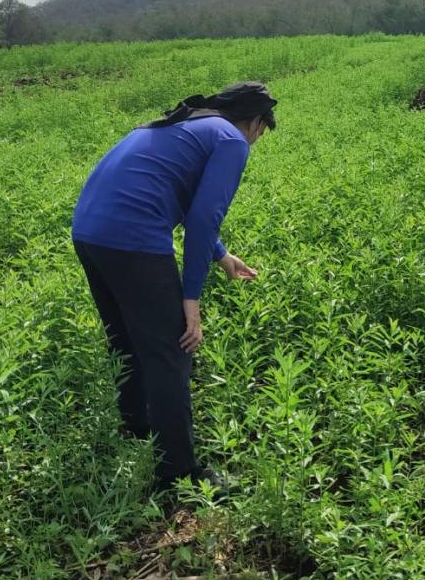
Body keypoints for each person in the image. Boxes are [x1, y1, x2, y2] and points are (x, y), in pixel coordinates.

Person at [72, 81, 277, 490]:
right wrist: (191, 299)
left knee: (125, 338)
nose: (255, 141)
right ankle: (180, 474)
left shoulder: (183, 124)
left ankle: (137, 427)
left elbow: (180, 196)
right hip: (135, 240)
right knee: (173, 351)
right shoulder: (231, 140)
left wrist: (222, 256)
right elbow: (203, 220)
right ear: (254, 122)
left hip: (89, 232)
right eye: (261, 132)